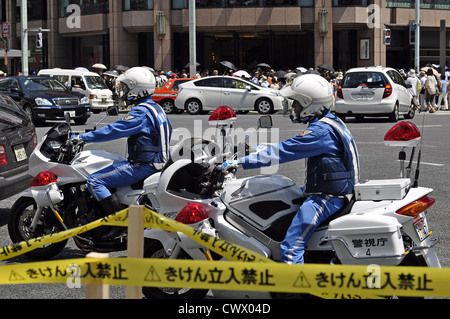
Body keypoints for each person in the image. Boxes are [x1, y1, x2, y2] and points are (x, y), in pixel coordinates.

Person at [222, 74, 360, 264]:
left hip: (328, 196)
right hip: (331, 189)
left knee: (291, 245)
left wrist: (241, 162)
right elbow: (290, 147)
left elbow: (284, 151)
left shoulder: (320, 132)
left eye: (296, 103)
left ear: (308, 103)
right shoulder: (330, 121)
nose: (293, 107)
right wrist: (260, 150)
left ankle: (293, 289)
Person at [70, 67, 172, 239]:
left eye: (125, 88)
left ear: (136, 88)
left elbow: (115, 130)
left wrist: (84, 138)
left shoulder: (140, 112)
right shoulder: (155, 107)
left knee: (94, 181)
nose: (123, 92)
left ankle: (120, 224)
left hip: (144, 165)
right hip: (160, 162)